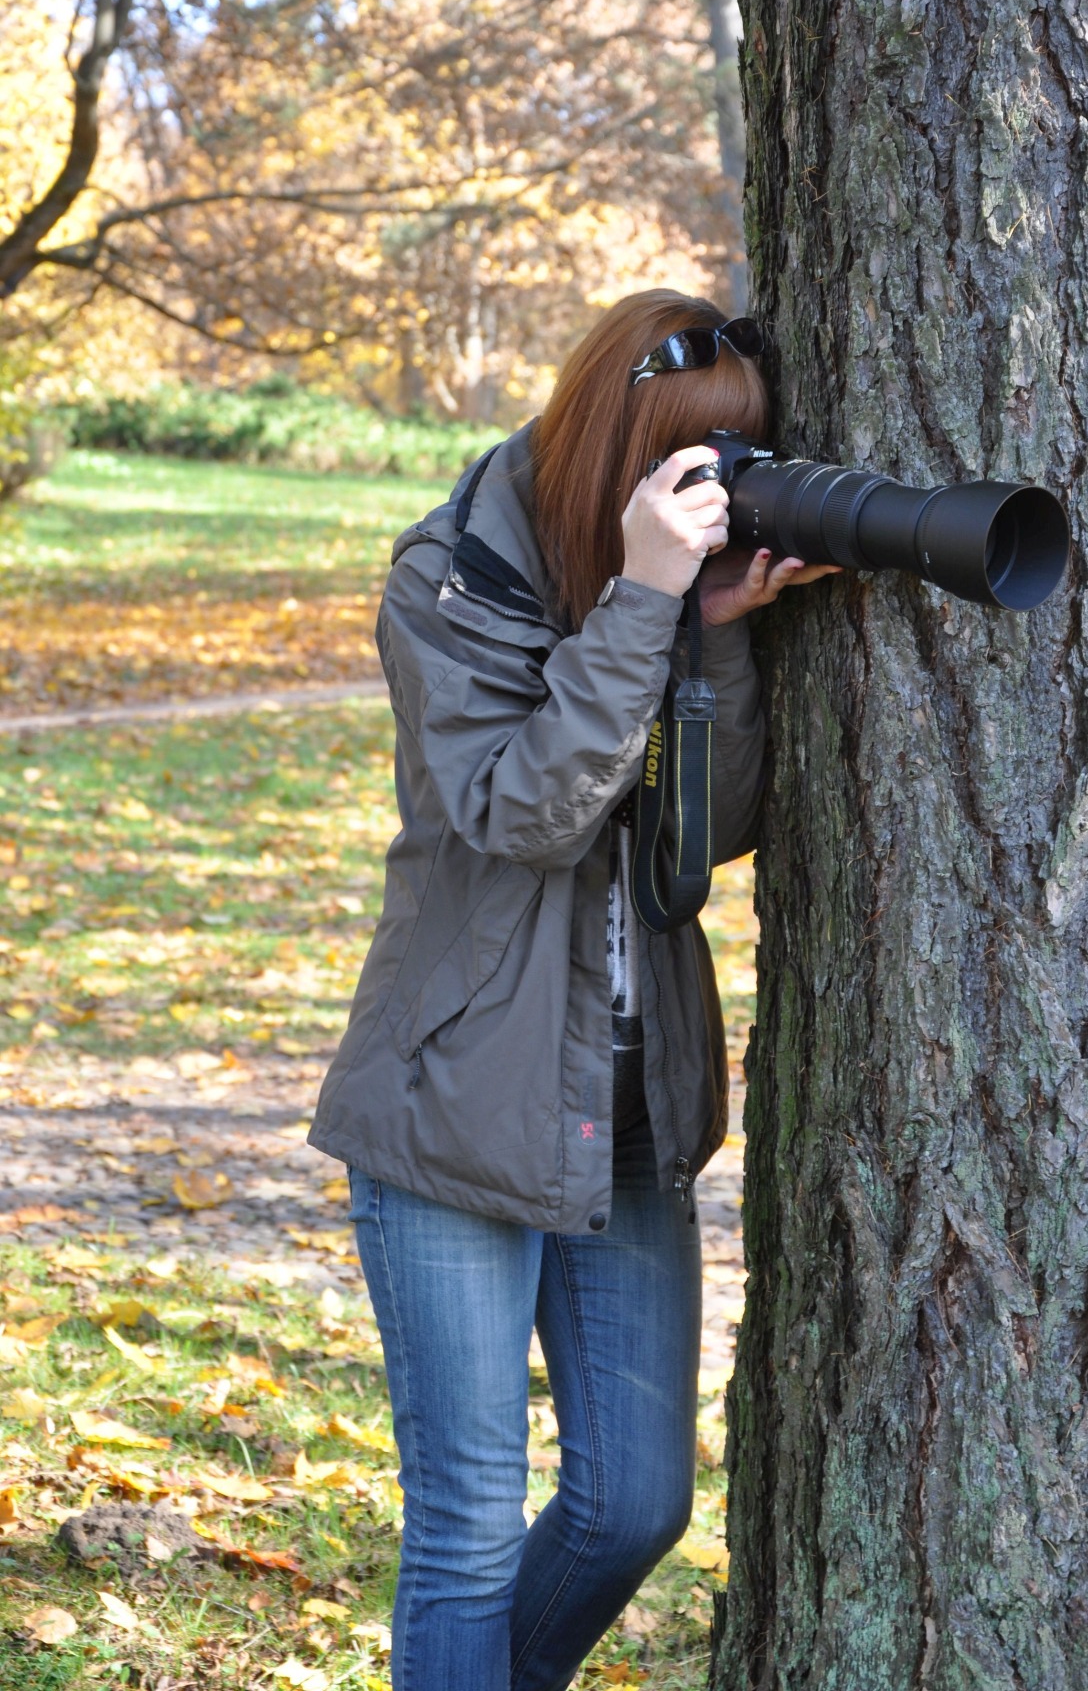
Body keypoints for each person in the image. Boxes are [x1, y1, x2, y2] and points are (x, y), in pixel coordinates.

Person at [308, 290, 838, 1691]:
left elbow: (708, 829)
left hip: (628, 1111)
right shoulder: (449, 579)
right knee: (471, 1534)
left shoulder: (659, 588)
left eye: (733, 461)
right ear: (611, 442)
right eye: (685, 460)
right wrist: (650, 603)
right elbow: (527, 811)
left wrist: (710, 632)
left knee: (632, 1507)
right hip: (454, 1116)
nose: (710, 490)